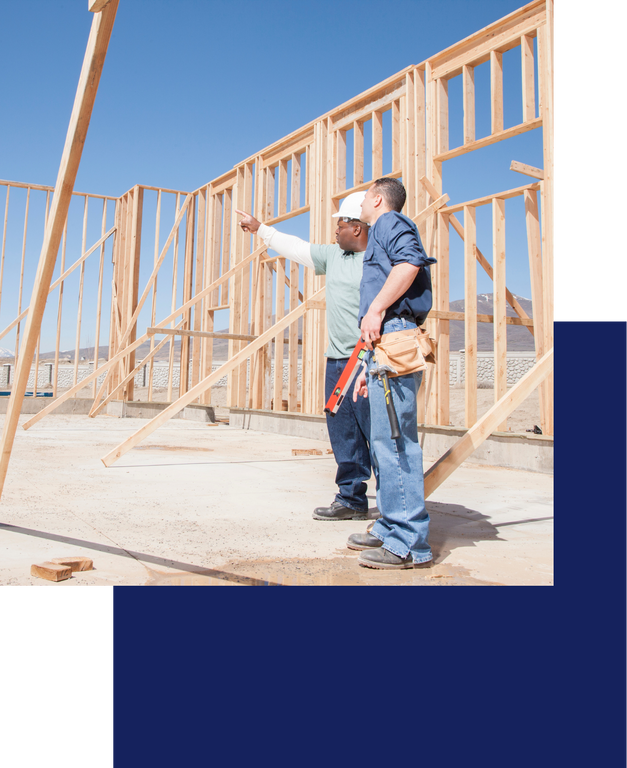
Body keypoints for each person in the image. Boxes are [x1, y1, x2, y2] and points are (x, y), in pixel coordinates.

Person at [236, 192, 375, 522]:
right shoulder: (333, 256)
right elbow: (296, 248)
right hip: (338, 360)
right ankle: (351, 499)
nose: (335, 230)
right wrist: (260, 229)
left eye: (340, 224)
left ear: (356, 228)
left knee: (377, 432)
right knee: (344, 432)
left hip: (369, 361)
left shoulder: (379, 261)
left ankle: (393, 510)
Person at [350, 177, 437, 569]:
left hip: (393, 335)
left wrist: (376, 309)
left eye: (365, 197)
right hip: (384, 344)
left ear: (378, 199)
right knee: (385, 439)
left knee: (395, 442)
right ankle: (389, 526)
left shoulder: (388, 222)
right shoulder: (383, 230)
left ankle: (407, 544)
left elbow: (409, 262)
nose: (361, 205)